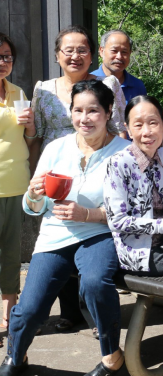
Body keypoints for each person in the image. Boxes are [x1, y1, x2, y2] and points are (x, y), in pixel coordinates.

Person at [0, 80, 129, 376]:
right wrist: (34, 194)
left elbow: (132, 212)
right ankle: (16, 357)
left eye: (93, 110)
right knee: (30, 308)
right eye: (78, 110)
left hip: (100, 232)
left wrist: (90, 214)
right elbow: (35, 207)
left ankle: (112, 358)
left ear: (108, 111)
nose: (84, 118)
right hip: (56, 233)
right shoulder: (56, 148)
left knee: (96, 282)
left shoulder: (125, 153)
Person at [31, 25, 127, 335]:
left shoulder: (108, 83)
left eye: (82, 49)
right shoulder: (43, 89)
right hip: (56, 174)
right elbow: (38, 136)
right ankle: (70, 311)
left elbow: (120, 127)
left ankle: (98, 312)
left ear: (92, 54)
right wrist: (35, 178)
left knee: (93, 241)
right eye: (68, 50)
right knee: (58, 241)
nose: (75, 55)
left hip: (99, 169)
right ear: (57, 55)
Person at [105, 96, 163, 275]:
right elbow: (117, 221)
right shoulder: (118, 164)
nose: (147, 132)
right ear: (128, 130)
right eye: (138, 125)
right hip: (139, 251)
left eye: (153, 123)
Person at [0, 33, 35, 348]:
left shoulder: (18, 92)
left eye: (8, 56)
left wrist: (30, 124)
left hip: (15, 184)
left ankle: (8, 317)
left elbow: (29, 137)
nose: (3, 62)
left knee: (11, 254)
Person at [90, 30, 147, 104]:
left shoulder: (137, 86)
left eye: (124, 52)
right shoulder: (90, 82)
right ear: (101, 51)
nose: (119, 57)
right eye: (114, 51)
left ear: (130, 53)